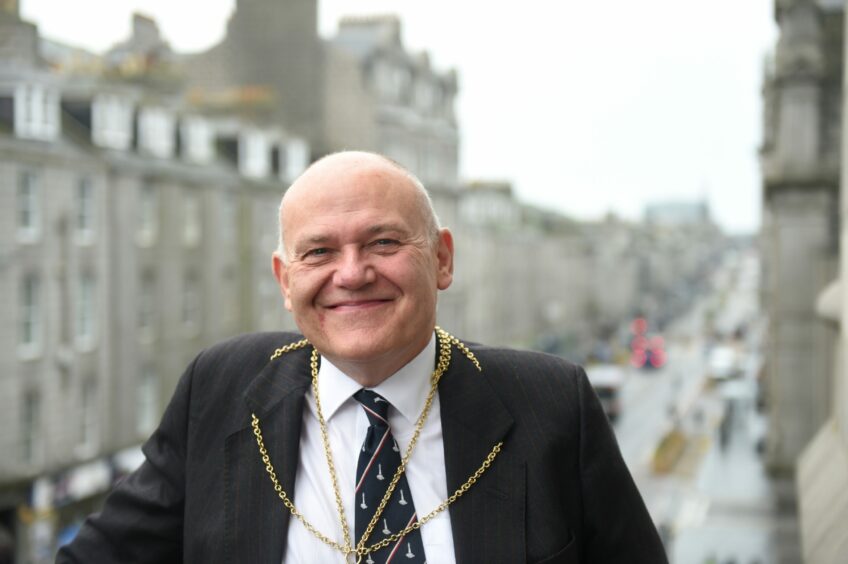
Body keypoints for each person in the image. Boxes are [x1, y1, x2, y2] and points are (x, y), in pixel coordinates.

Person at [57, 151, 668, 563]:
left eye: (383, 241)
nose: (352, 274)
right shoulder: (218, 389)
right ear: (284, 279)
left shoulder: (552, 403)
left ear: (443, 259)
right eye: (318, 252)